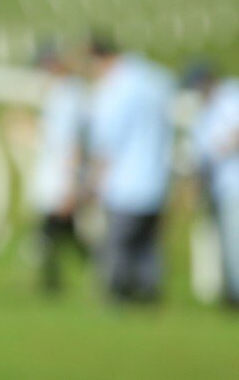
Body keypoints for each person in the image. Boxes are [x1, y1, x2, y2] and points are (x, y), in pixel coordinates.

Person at [84, 33, 174, 304]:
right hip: (157, 178)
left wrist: (92, 181)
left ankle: (119, 297)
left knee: (119, 247)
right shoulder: (156, 78)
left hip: (125, 182)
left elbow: (107, 140)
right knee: (148, 248)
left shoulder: (115, 88)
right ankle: (148, 299)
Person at [27, 41, 90, 294]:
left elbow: (71, 144)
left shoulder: (70, 97)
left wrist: (69, 186)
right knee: (63, 235)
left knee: (50, 235)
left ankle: (51, 283)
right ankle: (52, 282)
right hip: (54, 178)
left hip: (61, 180)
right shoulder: (58, 95)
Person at [183, 61, 239, 308]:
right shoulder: (206, 110)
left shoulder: (232, 96)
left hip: (234, 183)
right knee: (227, 242)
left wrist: (221, 149)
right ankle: (231, 291)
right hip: (220, 187)